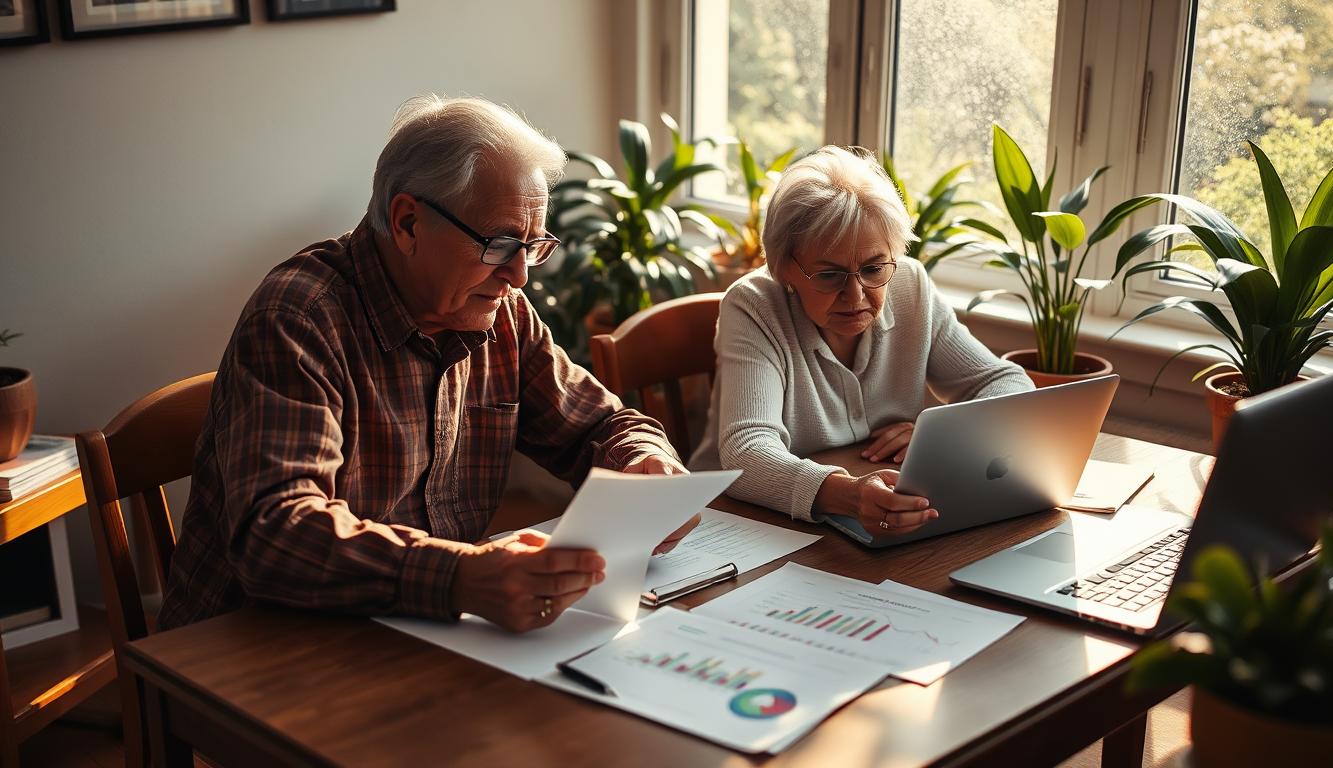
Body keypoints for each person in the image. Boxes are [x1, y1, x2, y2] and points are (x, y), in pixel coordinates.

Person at [159, 96, 697, 634]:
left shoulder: (498, 310)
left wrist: (644, 464)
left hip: (415, 633)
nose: (520, 277)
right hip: (250, 649)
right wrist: (460, 578)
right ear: (408, 222)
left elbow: (598, 425)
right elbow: (277, 534)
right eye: (501, 243)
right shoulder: (299, 319)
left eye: (533, 247)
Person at [689, 146, 1032, 538]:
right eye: (830, 276)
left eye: (873, 269)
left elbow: (1006, 382)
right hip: (741, 525)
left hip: (861, 525)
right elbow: (746, 453)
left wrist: (941, 434)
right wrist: (849, 495)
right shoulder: (753, 305)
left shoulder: (910, 285)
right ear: (784, 268)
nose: (856, 296)